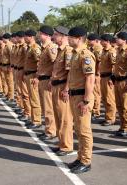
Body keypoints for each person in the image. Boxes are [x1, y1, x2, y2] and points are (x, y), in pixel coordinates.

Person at [67, 26, 95, 174]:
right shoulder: (75, 54)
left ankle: (86, 161)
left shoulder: (86, 55)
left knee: (84, 131)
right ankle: (80, 158)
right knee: (78, 129)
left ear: (78, 38)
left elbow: (90, 79)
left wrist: (86, 101)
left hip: (82, 96)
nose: (68, 39)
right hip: (74, 95)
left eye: (70, 37)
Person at [49, 26, 73, 155]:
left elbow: (70, 72)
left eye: (56, 35)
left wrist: (66, 89)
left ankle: (67, 146)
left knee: (65, 119)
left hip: (62, 87)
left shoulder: (68, 51)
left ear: (63, 36)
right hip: (56, 85)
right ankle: (61, 143)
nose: (53, 36)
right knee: (58, 117)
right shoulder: (59, 50)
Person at [30, 25, 57, 132]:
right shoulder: (43, 47)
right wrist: (37, 77)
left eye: (41, 34)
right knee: (45, 107)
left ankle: (51, 131)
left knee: (48, 107)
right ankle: (48, 129)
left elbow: (56, 64)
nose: (39, 35)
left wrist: (52, 79)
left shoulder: (51, 48)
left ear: (47, 35)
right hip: (42, 79)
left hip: (47, 80)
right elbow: (41, 66)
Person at [23, 29, 42, 128]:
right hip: (28, 75)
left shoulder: (35, 48)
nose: (24, 38)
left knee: (35, 99)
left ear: (31, 37)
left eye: (26, 36)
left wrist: (37, 77)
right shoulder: (29, 47)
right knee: (31, 98)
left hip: (33, 76)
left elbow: (39, 63)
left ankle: (37, 121)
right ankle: (33, 118)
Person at [99, 34, 117, 126]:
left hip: (108, 77)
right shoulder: (103, 51)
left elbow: (114, 66)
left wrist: (112, 78)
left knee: (109, 99)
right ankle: (107, 117)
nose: (101, 42)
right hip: (102, 77)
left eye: (102, 40)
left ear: (108, 41)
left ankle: (111, 119)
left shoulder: (112, 51)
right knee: (104, 98)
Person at [87, 33, 103, 119]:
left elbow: (99, 62)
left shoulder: (98, 49)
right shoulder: (92, 48)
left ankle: (96, 112)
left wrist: (97, 73)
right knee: (93, 92)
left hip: (96, 74)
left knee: (96, 93)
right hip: (93, 73)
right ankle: (94, 109)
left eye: (90, 40)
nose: (88, 42)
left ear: (96, 41)